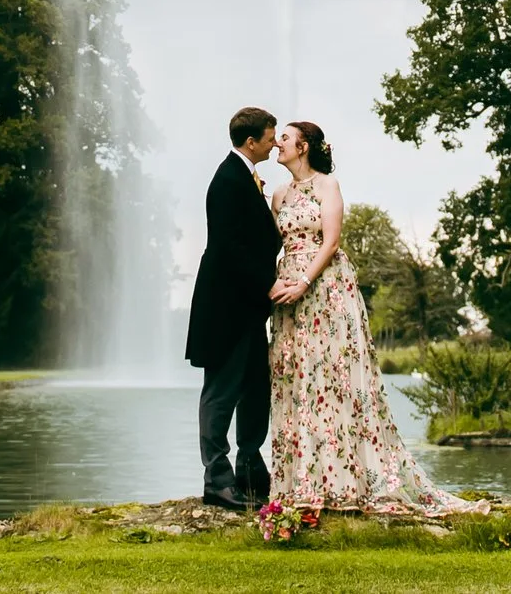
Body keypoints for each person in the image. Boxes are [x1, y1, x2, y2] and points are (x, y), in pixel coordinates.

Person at [265, 119, 482, 516]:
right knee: (298, 378)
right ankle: (302, 481)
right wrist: (278, 284)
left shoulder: (328, 187)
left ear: (304, 147)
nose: (277, 144)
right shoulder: (278, 194)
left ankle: (345, 479)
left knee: (334, 377)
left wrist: (303, 283)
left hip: (325, 288)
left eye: (285, 139)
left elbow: (331, 242)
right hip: (288, 295)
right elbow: (272, 243)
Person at [184, 105, 283, 510]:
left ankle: (250, 471)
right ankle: (217, 480)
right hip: (225, 308)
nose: (275, 142)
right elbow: (229, 249)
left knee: (256, 389)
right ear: (251, 141)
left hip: (248, 309)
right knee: (221, 392)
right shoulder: (227, 180)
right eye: (271, 136)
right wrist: (271, 283)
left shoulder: (245, 177)